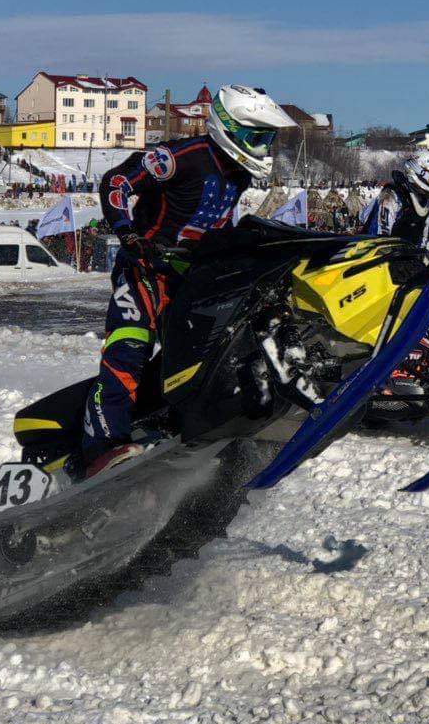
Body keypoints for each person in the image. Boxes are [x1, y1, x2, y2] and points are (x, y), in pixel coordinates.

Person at [79, 84, 297, 479]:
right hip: (144, 270)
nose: (264, 148)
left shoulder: (240, 174)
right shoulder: (184, 157)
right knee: (129, 346)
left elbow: (217, 223)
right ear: (229, 127)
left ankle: (184, 427)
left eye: (269, 139)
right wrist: (129, 234)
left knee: (206, 353)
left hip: (191, 277)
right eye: (258, 138)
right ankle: (103, 445)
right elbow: (116, 182)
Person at [365, 151, 429, 247]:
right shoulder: (393, 195)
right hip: (373, 255)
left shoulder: (426, 202)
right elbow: (379, 235)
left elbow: (423, 239)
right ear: (418, 172)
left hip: (406, 257)